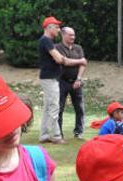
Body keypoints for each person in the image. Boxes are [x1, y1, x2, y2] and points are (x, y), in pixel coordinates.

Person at [38, 16, 86, 144]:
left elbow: (60, 59)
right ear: (49, 28)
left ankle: (44, 135)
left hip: (49, 78)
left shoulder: (45, 41)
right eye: (57, 27)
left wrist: (65, 59)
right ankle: (56, 136)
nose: (58, 30)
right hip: (50, 78)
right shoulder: (46, 41)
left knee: (48, 107)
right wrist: (79, 61)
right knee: (54, 107)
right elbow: (59, 59)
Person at [55, 26, 86, 139]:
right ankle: (58, 133)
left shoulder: (78, 48)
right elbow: (65, 62)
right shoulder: (57, 48)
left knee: (80, 108)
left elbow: (83, 64)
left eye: (74, 35)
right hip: (62, 82)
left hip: (76, 82)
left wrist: (79, 79)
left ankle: (79, 131)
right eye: (70, 35)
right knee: (59, 108)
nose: (73, 37)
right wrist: (79, 61)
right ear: (63, 35)